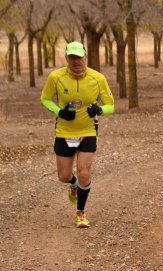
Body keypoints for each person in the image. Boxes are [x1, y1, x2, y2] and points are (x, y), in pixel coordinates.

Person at [40, 41, 114, 228]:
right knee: (64, 176)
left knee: (84, 171)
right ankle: (73, 184)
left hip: (88, 131)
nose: (76, 61)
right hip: (64, 132)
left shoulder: (98, 79)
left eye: (79, 57)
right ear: (66, 58)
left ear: (85, 57)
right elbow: (45, 99)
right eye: (72, 57)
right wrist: (59, 112)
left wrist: (98, 110)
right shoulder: (56, 77)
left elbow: (110, 105)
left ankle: (80, 213)